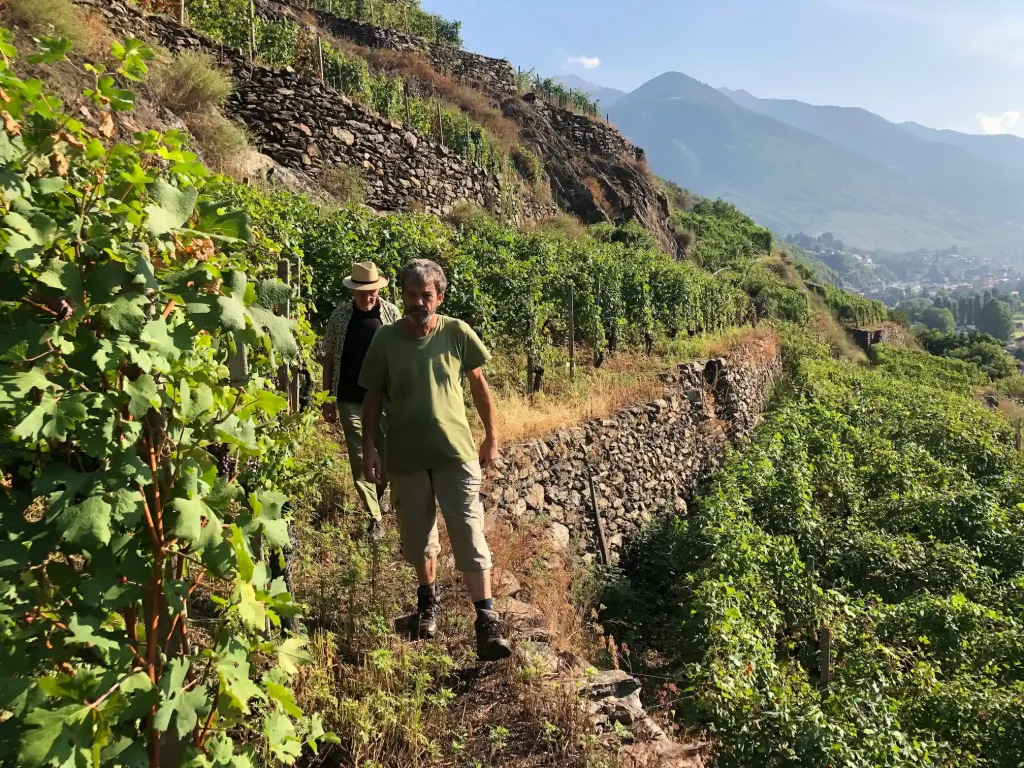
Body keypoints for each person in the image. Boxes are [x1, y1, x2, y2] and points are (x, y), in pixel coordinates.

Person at [359, 258, 511, 661]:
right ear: (402, 296)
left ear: (439, 297)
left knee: (469, 532)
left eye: (426, 295)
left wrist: (492, 436)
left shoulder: (457, 332)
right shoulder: (385, 339)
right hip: (405, 456)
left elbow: (479, 385)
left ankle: (487, 620)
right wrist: (369, 447)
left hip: (455, 453)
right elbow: (372, 397)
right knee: (417, 538)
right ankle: (428, 605)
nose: (418, 302)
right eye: (410, 295)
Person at [321, 261, 400, 540]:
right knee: (359, 459)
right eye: (363, 293)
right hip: (350, 398)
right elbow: (329, 358)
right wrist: (327, 399)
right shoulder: (339, 317)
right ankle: (375, 518)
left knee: (388, 455)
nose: (369, 297)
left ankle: (381, 491)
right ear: (353, 292)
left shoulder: (390, 314)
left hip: (385, 399)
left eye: (373, 291)